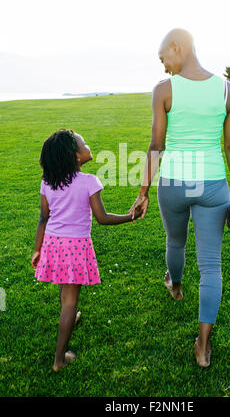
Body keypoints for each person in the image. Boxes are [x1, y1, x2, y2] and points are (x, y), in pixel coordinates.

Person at [129, 28, 230, 367]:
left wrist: (143, 191)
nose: (164, 66)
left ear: (177, 48)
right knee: (211, 265)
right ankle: (204, 346)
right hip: (212, 184)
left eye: (163, 57)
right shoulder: (227, 90)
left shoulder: (164, 90)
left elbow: (156, 145)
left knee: (176, 242)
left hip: (175, 183)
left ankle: (176, 285)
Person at [31, 129, 142, 371]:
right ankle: (60, 359)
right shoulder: (89, 181)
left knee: (64, 287)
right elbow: (102, 218)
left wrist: (37, 250)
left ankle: (69, 316)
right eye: (84, 143)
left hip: (52, 243)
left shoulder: (48, 182)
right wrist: (129, 216)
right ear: (76, 156)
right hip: (74, 246)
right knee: (71, 301)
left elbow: (43, 218)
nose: (88, 145)